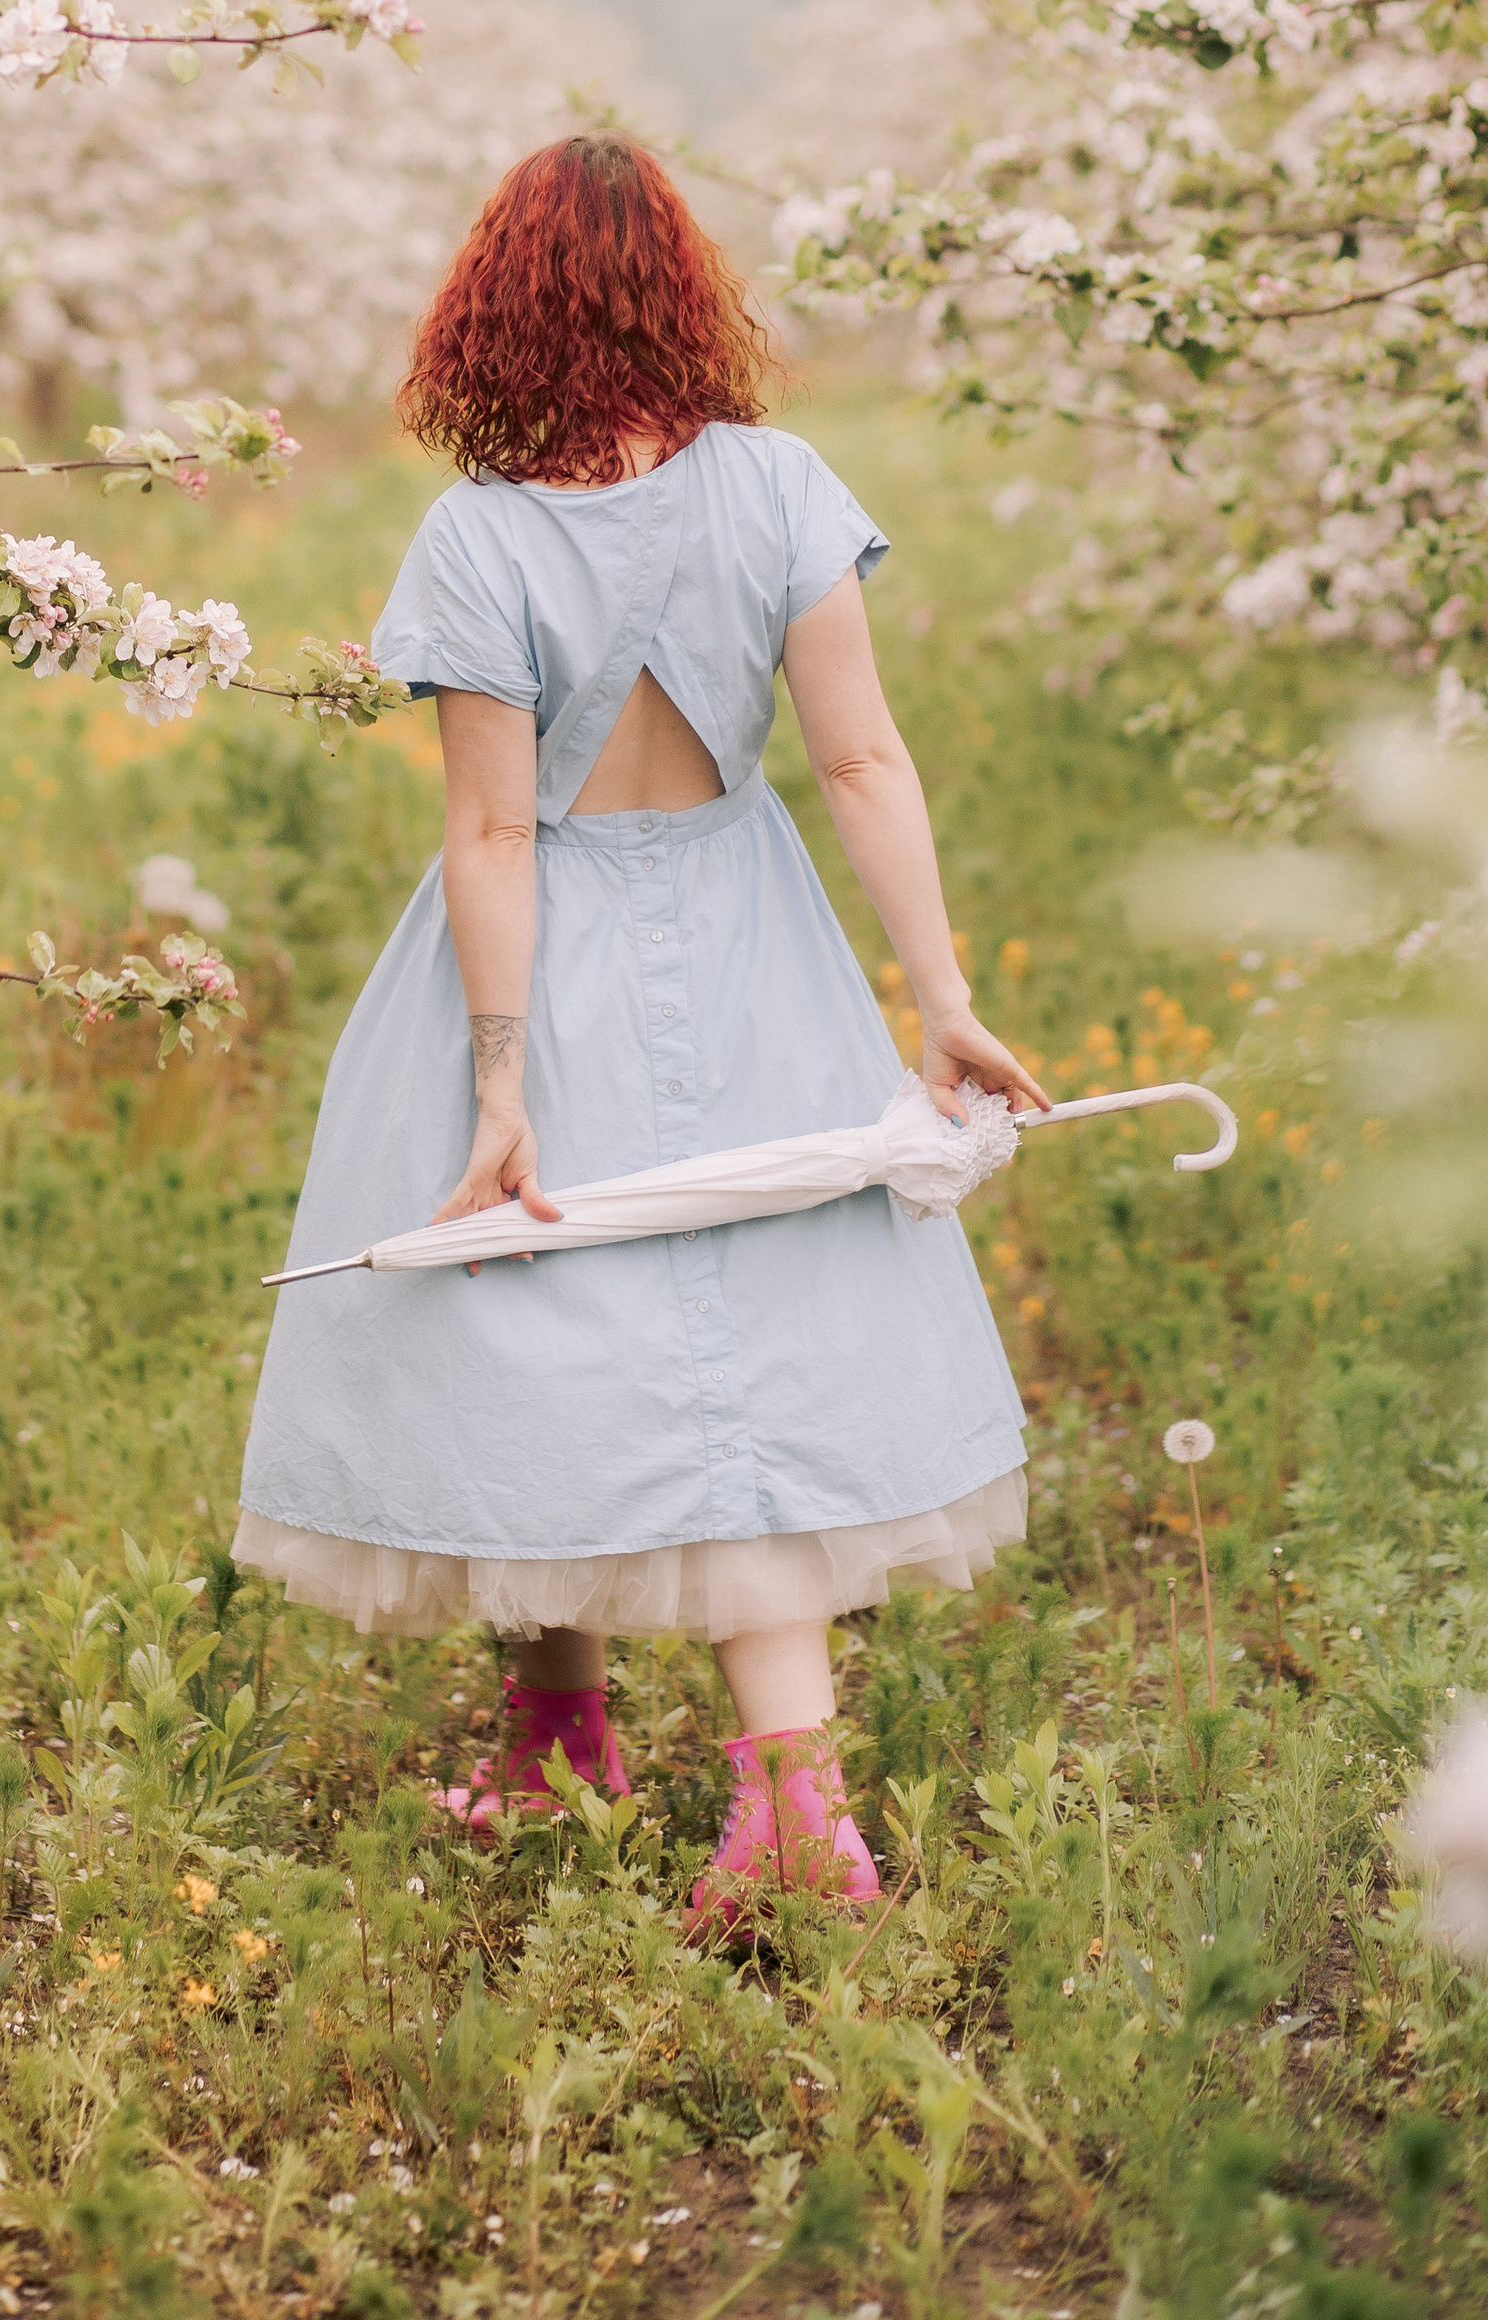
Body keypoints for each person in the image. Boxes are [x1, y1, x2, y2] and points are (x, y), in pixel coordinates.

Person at [233, 130, 1048, 1923]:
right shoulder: (780, 487)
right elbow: (858, 757)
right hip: (753, 927)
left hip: (553, 943)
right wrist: (942, 997)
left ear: (492, 317)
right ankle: (705, 1785)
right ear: (687, 295)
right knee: (746, 1322)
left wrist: (502, 1074)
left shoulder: (479, 535)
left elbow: (495, 832)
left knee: (539, 1309)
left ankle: (636, 1760)